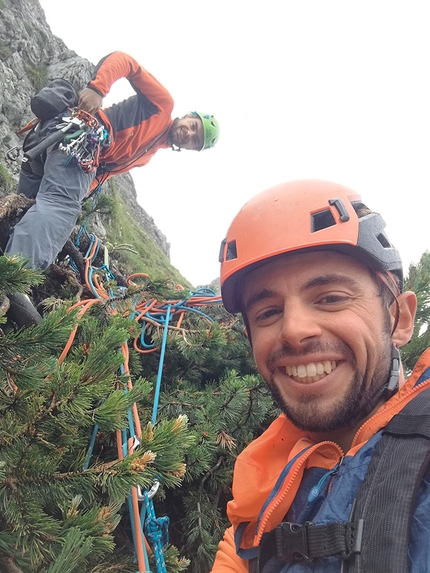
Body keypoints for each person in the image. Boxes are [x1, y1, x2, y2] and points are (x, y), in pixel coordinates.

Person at [212, 179, 430, 573]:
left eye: (330, 298)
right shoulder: (259, 500)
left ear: (400, 319)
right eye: (267, 313)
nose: (293, 330)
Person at [4, 51, 219, 327]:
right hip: (77, 139)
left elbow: (102, 171)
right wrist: (97, 88)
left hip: (55, 140)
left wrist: (83, 191)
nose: (189, 134)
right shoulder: (163, 105)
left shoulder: (150, 152)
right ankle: (15, 276)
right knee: (59, 207)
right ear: (188, 116)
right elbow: (125, 61)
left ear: (190, 149)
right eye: (193, 126)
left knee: (27, 211)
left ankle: (9, 264)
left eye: (195, 140)